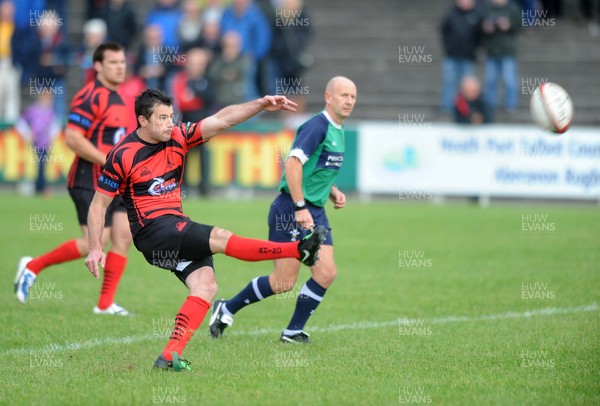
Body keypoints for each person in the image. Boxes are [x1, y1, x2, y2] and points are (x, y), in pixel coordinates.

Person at [84, 88, 327, 371]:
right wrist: (94, 247)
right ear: (142, 121)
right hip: (152, 233)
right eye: (161, 118)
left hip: (175, 227)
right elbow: (98, 205)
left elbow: (223, 119)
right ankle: (299, 250)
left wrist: (261, 104)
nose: (169, 123)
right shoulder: (122, 155)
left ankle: (168, 356)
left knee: (206, 285)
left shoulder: (178, 135)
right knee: (221, 237)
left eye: (171, 117)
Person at [209, 76, 357, 344]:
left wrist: (331, 190)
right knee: (283, 282)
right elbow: (292, 164)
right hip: (291, 209)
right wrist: (300, 206)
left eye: (352, 97)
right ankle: (227, 308)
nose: (348, 101)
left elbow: (317, 166)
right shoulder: (317, 126)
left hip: (315, 210)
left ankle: (292, 332)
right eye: (343, 95)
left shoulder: (338, 128)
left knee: (326, 273)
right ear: (328, 97)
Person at [15, 42, 133, 316]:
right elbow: (72, 137)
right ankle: (32, 266)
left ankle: (104, 304)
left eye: (122, 62)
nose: (119, 67)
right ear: (98, 66)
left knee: (124, 235)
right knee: (94, 242)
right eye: (113, 62)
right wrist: (108, 161)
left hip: (114, 182)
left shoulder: (122, 97)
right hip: (88, 178)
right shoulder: (90, 95)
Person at [16, 89, 60, 196]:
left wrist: (50, 137)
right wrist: (28, 134)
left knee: (42, 166)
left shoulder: (51, 112)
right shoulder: (32, 110)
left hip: (45, 144)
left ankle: (40, 187)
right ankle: (36, 187)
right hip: (33, 144)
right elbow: (20, 123)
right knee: (33, 165)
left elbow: (55, 128)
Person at [440, 0, 481, 114]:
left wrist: (473, 49)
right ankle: (447, 108)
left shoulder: (476, 16)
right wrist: (448, 46)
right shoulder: (451, 14)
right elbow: (444, 30)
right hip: (452, 56)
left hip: (468, 57)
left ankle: (466, 110)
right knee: (449, 82)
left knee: (468, 86)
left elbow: (480, 35)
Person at [481, 0, 521, 115]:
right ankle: (490, 107)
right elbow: (480, 27)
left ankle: (511, 106)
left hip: (507, 51)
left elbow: (519, 25)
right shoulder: (487, 8)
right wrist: (485, 28)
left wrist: (509, 25)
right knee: (490, 81)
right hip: (492, 51)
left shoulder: (513, 8)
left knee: (510, 81)